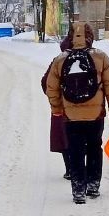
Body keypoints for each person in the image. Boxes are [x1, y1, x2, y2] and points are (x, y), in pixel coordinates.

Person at [46, 21, 109, 204]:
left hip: (71, 117)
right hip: (96, 115)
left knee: (75, 151)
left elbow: (51, 88)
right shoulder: (101, 57)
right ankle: (93, 185)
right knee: (95, 147)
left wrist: (57, 109)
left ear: (70, 38)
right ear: (90, 37)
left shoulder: (60, 60)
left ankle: (78, 190)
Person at [41, 33, 73, 179]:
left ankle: (70, 170)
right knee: (86, 138)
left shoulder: (58, 61)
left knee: (64, 138)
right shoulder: (92, 58)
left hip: (62, 108)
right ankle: (86, 172)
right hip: (89, 108)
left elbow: (45, 82)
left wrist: (55, 101)